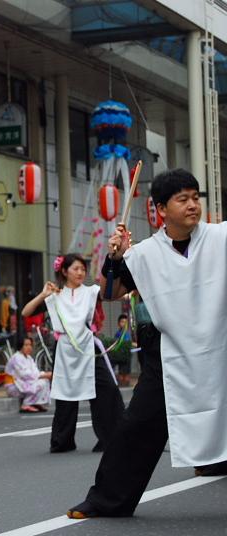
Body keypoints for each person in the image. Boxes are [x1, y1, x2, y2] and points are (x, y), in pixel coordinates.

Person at [67, 169, 227, 519]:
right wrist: (114, 258)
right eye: (182, 199)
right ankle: (107, 499)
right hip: (169, 354)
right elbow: (110, 293)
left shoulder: (221, 238)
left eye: (195, 197)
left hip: (220, 348)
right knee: (137, 426)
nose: (192, 205)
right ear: (161, 209)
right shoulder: (144, 254)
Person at [22, 254, 124, 453]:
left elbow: (114, 294)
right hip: (65, 349)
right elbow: (26, 312)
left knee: (107, 389)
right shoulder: (55, 296)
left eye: (83, 269)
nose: (80, 273)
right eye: (76, 268)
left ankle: (111, 438)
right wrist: (43, 294)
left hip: (88, 347)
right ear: (64, 271)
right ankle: (62, 441)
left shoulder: (92, 292)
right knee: (64, 394)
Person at [4, 337, 52, 413]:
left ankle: (35, 403)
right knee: (41, 383)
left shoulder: (29, 358)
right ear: (21, 346)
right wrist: (43, 375)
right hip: (13, 385)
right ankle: (26, 404)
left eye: (30, 345)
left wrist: (44, 375)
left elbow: (35, 371)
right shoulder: (16, 358)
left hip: (21, 383)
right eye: (26, 345)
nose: (29, 347)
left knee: (45, 381)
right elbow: (25, 375)